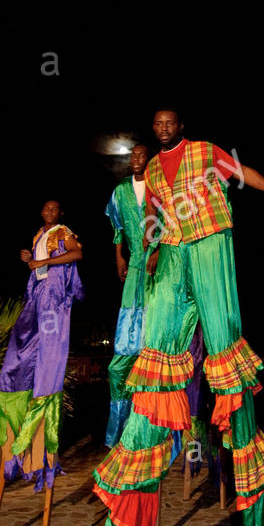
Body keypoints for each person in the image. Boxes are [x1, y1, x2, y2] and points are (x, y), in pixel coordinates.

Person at [94, 108, 264, 526]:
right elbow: (150, 212)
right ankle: (134, 492)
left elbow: (241, 171)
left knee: (224, 345)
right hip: (172, 251)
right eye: (158, 124)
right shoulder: (151, 168)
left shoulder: (204, 152)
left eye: (170, 123)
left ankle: (250, 492)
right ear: (154, 130)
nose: (164, 128)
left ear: (181, 127)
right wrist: (148, 249)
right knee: (158, 349)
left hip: (210, 242)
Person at [0, 199, 84, 489]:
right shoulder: (38, 234)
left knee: (49, 350)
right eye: (46, 209)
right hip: (38, 293)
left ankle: (42, 436)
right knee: (20, 345)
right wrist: (30, 257)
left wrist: (44, 261)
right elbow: (38, 265)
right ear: (41, 212)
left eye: (55, 209)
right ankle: (16, 399)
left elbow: (76, 254)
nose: (50, 213)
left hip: (53, 295)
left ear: (60, 213)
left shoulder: (63, 231)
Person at [104, 143, 151, 445]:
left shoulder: (157, 183)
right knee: (122, 355)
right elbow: (117, 226)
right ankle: (120, 429)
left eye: (141, 155)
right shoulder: (120, 189)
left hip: (159, 260)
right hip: (134, 261)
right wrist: (119, 257)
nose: (135, 159)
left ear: (148, 160)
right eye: (132, 155)